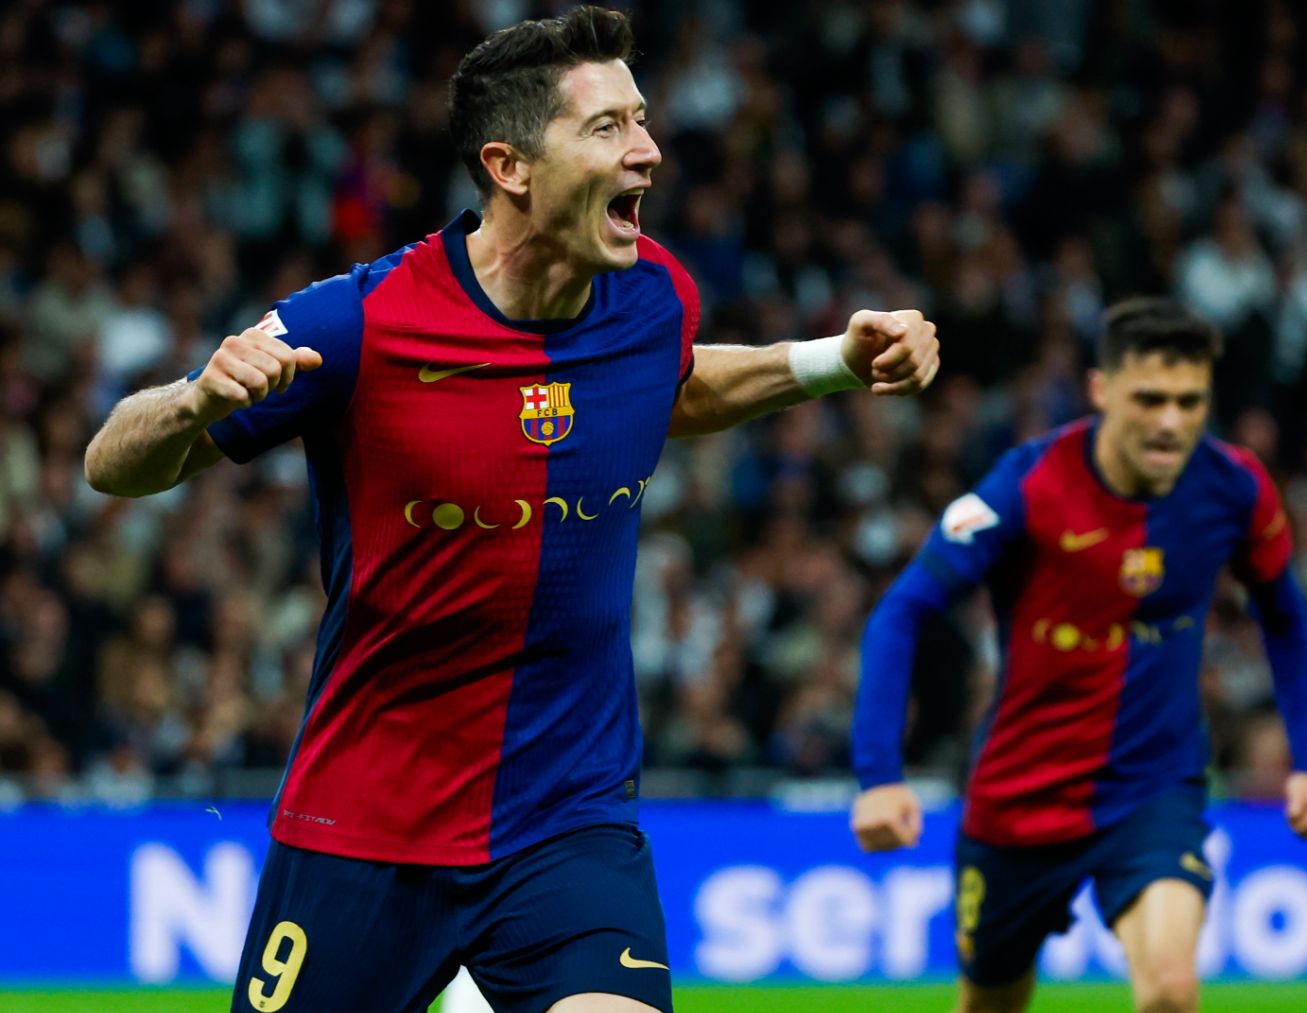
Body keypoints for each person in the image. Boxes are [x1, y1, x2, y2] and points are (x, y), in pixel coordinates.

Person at [81, 8, 939, 1013]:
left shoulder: (653, 296)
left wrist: (836, 360)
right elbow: (109, 464)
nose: (650, 150)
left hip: (566, 818)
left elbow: (667, 386)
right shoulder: (359, 323)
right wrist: (192, 402)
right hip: (369, 824)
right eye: (609, 127)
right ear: (511, 165)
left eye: (644, 118)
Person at [849, 298, 1307, 1013]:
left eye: (1189, 401)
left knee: (1170, 990)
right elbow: (903, 608)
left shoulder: (1234, 488)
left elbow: (1285, 617)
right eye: (1150, 399)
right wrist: (878, 774)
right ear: (1102, 390)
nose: (1170, 422)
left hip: (1153, 789)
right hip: (1018, 800)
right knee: (990, 1003)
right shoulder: (1028, 482)